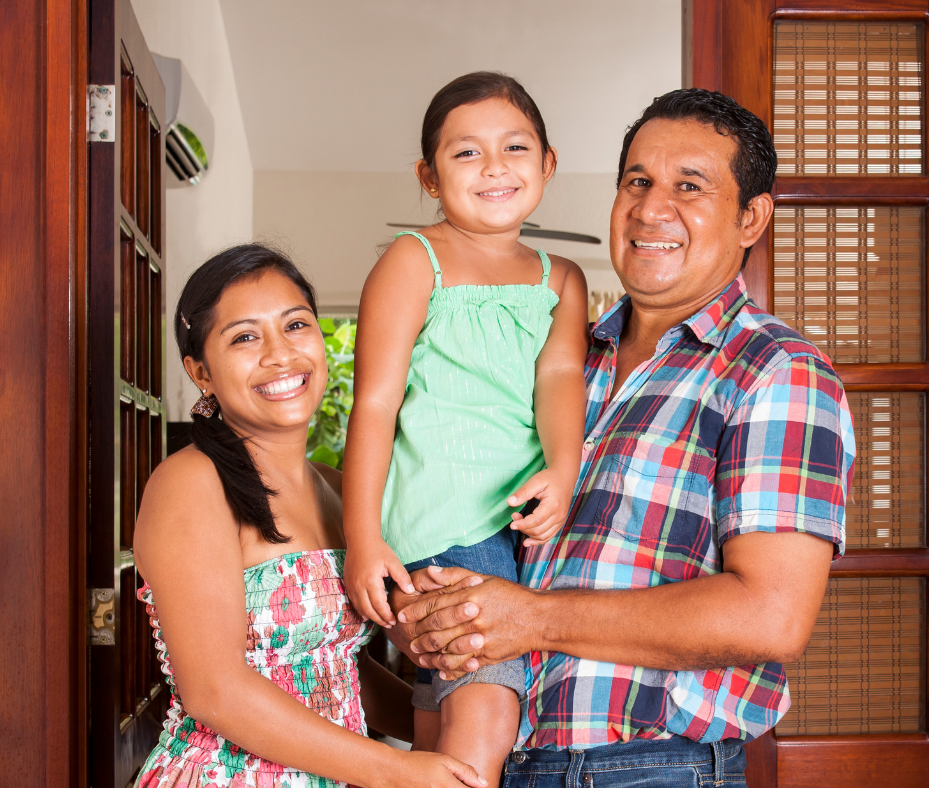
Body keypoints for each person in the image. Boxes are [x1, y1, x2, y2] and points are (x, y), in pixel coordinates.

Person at [393, 88, 856, 787]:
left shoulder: (776, 371)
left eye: (689, 186)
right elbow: (463, 508)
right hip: (505, 755)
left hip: (648, 769)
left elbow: (770, 616)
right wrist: (430, 611)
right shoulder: (561, 359)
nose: (651, 208)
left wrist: (531, 620)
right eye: (637, 181)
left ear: (751, 217)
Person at [133, 244, 486, 788]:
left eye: (295, 325)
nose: (280, 354)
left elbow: (331, 675)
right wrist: (396, 770)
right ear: (200, 372)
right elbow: (214, 691)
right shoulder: (191, 483)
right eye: (245, 337)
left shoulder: (339, 489)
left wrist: (446, 736)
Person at [342, 72, 589, 785]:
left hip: (516, 525)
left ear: (547, 163)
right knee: (488, 716)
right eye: (465, 153)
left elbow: (560, 381)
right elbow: (375, 406)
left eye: (514, 147)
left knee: (439, 710)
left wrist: (565, 470)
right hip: (449, 518)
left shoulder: (560, 278)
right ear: (428, 175)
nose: (494, 167)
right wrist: (364, 538)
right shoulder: (413, 259)